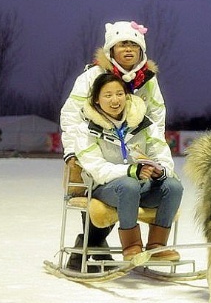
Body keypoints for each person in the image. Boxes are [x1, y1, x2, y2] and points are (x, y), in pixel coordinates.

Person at [60, 20, 167, 271]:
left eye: (133, 45)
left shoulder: (148, 81)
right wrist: (74, 152)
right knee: (102, 197)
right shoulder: (93, 75)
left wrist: (155, 151)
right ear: (111, 50)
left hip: (133, 152)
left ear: (141, 51)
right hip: (95, 147)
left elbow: (157, 115)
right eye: (122, 45)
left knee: (125, 193)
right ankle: (90, 248)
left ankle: (90, 250)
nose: (128, 50)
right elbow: (71, 113)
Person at [72, 73, 183, 261]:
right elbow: (97, 169)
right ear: (97, 100)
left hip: (140, 186)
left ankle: (157, 246)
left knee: (173, 186)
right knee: (128, 185)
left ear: (127, 96)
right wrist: (131, 171)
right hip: (104, 188)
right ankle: (132, 247)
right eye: (107, 95)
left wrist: (160, 171)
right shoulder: (86, 130)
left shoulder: (144, 124)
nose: (115, 100)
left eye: (119, 94)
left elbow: (162, 154)